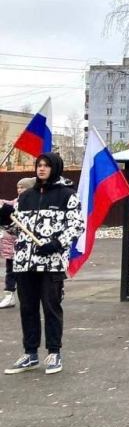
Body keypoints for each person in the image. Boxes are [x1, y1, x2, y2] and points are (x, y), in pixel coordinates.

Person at [0, 153, 84, 376]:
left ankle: (54, 353)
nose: (42, 169)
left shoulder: (67, 195)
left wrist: (56, 244)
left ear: (55, 168)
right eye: (39, 165)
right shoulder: (26, 196)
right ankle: (30, 353)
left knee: (51, 307)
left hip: (51, 263)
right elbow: (16, 229)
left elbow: (77, 226)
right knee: (27, 309)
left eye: (46, 165)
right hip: (24, 262)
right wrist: (5, 219)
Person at [0, 178, 33, 310]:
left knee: (29, 273)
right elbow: (7, 204)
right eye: (18, 187)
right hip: (11, 245)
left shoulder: (33, 204)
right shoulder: (15, 202)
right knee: (10, 271)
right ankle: (9, 295)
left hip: (27, 246)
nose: (20, 190)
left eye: (23, 187)